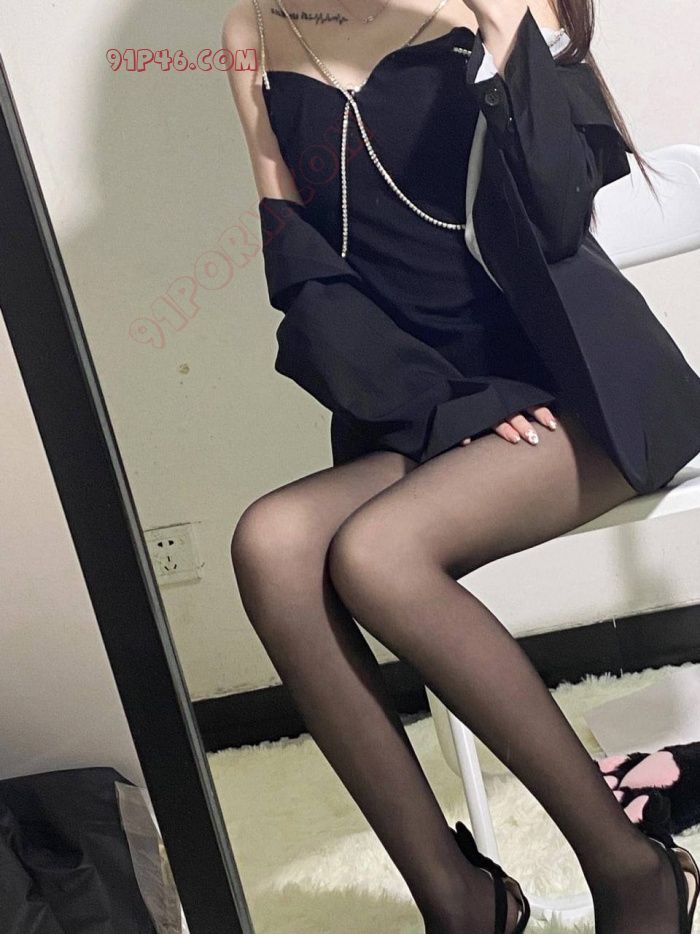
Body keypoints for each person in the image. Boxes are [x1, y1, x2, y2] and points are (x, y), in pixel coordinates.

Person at [222, 0, 700, 930]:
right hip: (431, 395)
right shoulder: (254, 27)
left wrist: (504, 24)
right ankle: (462, 900)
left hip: (582, 385)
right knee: (271, 545)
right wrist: (434, 401)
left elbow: (561, 211)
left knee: (376, 556)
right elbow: (301, 261)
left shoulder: (497, 7)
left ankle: (635, 873)